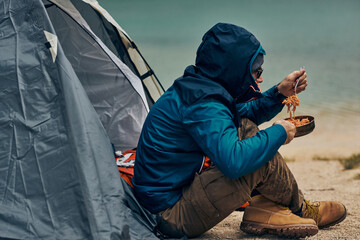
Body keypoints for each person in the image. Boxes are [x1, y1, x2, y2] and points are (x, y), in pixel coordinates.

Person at [132, 23, 346, 238]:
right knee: (260, 159)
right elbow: (234, 162)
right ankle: (298, 209)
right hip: (169, 215)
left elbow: (243, 114)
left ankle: (268, 206)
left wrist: (279, 93)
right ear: (234, 70)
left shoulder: (198, 89)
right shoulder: (204, 104)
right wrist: (280, 132)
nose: (260, 78)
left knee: (246, 127)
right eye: (256, 71)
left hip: (170, 199)